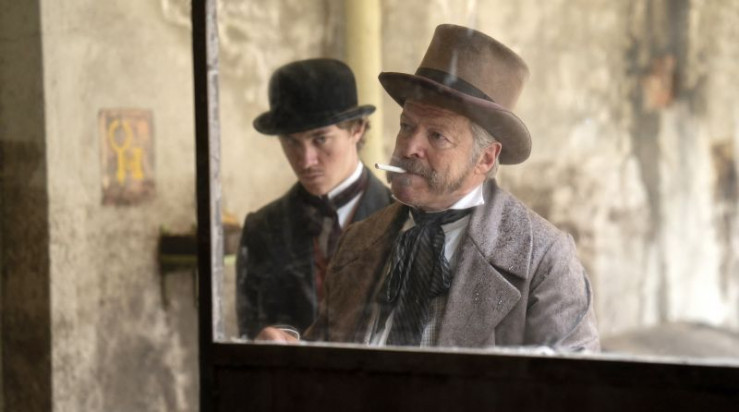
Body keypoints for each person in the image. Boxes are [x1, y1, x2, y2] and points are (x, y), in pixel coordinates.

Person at [260, 24, 599, 351]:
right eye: (406, 126)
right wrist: (294, 350)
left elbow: (573, 382)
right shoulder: (359, 241)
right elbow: (328, 356)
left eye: (437, 135)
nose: (409, 148)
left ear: (485, 158)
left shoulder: (544, 260)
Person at [236, 58, 393, 339]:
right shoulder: (262, 229)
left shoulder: (404, 219)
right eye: (291, 142)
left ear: (357, 129)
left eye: (320, 139)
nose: (305, 160)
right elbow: (250, 334)